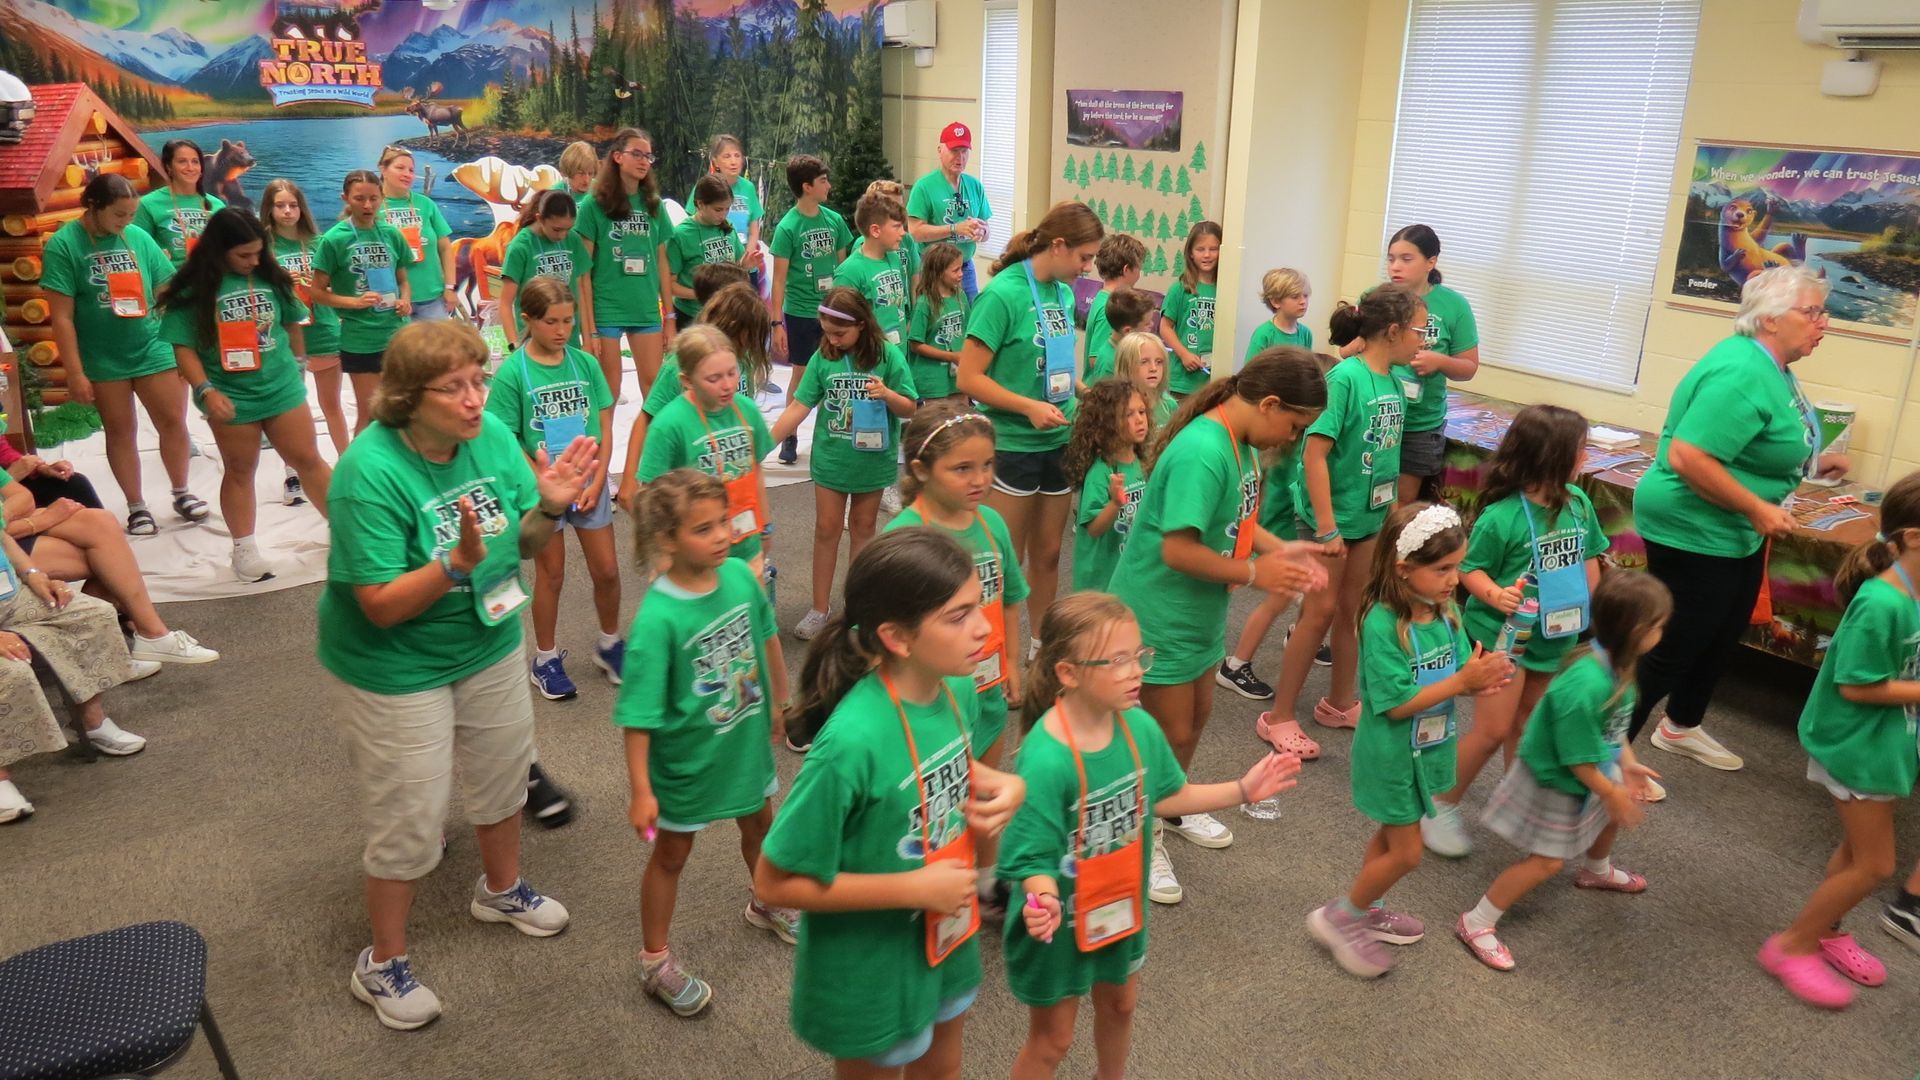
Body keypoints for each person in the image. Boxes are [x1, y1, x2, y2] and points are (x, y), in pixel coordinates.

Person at [321, 320, 593, 1031]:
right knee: (410, 815)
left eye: (479, 380)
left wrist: (549, 506)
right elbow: (379, 606)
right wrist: (453, 565)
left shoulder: (491, 438)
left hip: (487, 637)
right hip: (393, 665)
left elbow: (524, 542)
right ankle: (382, 962)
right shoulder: (367, 473)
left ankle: (500, 889)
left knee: (504, 773)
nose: (475, 399)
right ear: (408, 397)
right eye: (454, 387)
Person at [753, 528, 1026, 1078]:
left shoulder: (956, 687)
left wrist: (1001, 782)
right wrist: (912, 889)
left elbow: (931, 764)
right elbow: (774, 883)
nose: (984, 627)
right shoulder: (849, 745)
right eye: (959, 616)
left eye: (980, 605)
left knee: (943, 1067)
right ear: (897, 638)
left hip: (946, 937)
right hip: (872, 965)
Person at [1005, 592, 1300, 1079]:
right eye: (1117, 661)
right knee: (1053, 1040)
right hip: (1061, 924)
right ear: (1068, 673)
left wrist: (1242, 790)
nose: (1135, 672)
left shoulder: (1138, 726)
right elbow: (1028, 857)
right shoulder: (1046, 759)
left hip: (1119, 905)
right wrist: (1042, 900)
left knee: (1121, 1005)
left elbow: (1166, 795)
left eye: (1138, 655)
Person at [1108, 350, 1329, 903]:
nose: (1293, 438)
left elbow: (1237, 522)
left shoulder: (1241, 443)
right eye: (1294, 426)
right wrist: (1256, 572)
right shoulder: (1204, 451)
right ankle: (1139, 833)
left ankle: (1172, 805)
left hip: (1198, 613)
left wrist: (1281, 549)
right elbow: (1177, 550)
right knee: (1162, 734)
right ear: (1270, 404)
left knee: (1193, 723)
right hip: (1158, 613)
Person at [1630, 264, 1846, 775]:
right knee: (1673, 645)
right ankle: (1603, 753)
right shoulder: (1742, 370)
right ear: (1770, 319)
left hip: (1732, 529)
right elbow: (1688, 456)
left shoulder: (1773, 366)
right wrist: (1756, 507)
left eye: (1823, 312)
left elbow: (1764, 437)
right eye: (1812, 312)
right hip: (1693, 526)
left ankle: (1680, 726)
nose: (1824, 323)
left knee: (1722, 633)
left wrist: (1812, 463)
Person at [618, 469, 796, 1016]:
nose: (723, 536)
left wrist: (781, 699)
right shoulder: (659, 619)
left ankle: (766, 901)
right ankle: (655, 961)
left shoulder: (740, 578)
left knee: (760, 824)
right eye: (704, 529)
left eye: (723, 522)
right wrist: (642, 790)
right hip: (687, 763)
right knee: (672, 854)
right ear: (666, 540)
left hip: (742, 744)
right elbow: (638, 717)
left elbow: (766, 635)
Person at [1307, 502, 1508, 978]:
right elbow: (1396, 704)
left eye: (1457, 567)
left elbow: (1460, 666)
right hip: (1392, 755)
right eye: (1443, 569)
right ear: (1403, 569)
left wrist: (1478, 677)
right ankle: (1341, 918)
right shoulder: (1380, 624)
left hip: (1428, 748)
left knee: (1391, 836)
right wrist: (1461, 683)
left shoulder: (1445, 610)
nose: (1454, 580)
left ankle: (1368, 906)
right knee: (1407, 852)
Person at [1758, 472, 1920, 1009]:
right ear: (1914, 537)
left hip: (1884, 742)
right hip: (1855, 744)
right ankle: (1792, 944)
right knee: (1876, 865)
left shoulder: (1910, 592)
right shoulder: (1882, 603)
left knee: (1855, 853)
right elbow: (1856, 685)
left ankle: (1826, 930)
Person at [1423, 405, 1612, 857]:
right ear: (1553, 456)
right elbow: (1469, 569)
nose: (1586, 456)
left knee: (1526, 724)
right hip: (1502, 639)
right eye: (1580, 449)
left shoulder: (1578, 503)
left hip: (1554, 637)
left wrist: (1595, 616)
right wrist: (1495, 595)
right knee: (1492, 730)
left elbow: (1589, 559)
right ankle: (1438, 805)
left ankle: (1522, 807)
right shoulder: (1502, 516)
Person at [1458, 573, 1671, 972]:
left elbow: (1613, 725)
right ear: (1636, 632)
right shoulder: (1585, 685)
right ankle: (1476, 921)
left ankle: (1596, 869)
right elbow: (1576, 759)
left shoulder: (1618, 665)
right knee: (1547, 862)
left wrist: (1626, 764)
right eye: (1659, 625)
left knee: (1608, 815)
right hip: (1557, 780)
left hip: (1590, 771)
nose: (1663, 633)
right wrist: (1611, 791)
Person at [1266, 286, 1423, 758]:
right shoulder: (1346, 379)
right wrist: (1327, 527)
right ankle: (1279, 717)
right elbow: (1314, 455)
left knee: (1354, 611)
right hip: (1329, 520)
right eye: (1419, 331)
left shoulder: (1394, 383)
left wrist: (1392, 521)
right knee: (1318, 612)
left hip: (1368, 518)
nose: (1423, 340)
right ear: (1392, 331)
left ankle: (1338, 703)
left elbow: (1387, 457)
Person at [886, 404, 1030, 905]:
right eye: (963, 468)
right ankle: (925, 885)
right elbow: (880, 630)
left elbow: (1010, 596)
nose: (981, 479)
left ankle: (986, 880)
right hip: (931, 698)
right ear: (921, 470)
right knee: (935, 799)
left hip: (986, 687)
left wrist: (1012, 663)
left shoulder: (991, 524)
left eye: (988, 465)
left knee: (985, 791)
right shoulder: (905, 537)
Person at [957, 201, 1103, 657]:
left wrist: (1084, 391)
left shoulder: (1062, 293)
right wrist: (1027, 407)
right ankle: (995, 653)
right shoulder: (1002, 295)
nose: (1087, 268)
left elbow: (1053, 364)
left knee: (1048, 554)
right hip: (1013, 444)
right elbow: (969, 378)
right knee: (1005, 560)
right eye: (1084, 257)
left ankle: (1041, 645)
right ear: (1057, 245)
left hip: (1058, 441)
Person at [156, 207, 333, 582]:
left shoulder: (271, 277)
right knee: (239, 469)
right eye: (244, 255)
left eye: (258, 253)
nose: (253, 261)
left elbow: (293, 322)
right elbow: (183, 348)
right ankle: (244, 549)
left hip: (281, 385)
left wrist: (298, 364)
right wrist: (205, 390)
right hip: (230, 394)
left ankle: (347, 529)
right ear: (219, 251)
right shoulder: (193, 290)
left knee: (308, 459)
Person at [41, 173, 207, 535]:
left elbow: (167, 290)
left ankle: (182, 492)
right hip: (103, 357)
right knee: (120, 430)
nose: (125, 222)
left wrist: (185, 344)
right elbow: (62, 317)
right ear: (93, 206)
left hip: (152, 345)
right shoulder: (63, 245)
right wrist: (75, 373)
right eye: (119, 214)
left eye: (131, 215)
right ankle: (137, 506)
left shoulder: (138, 238)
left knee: (173, 421)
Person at [483, 277, 621, 700]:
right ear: (527, 320)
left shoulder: (585, 364)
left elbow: (604, 422)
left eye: (568, 320)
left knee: (607, 570)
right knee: (552, 573)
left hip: (588, 482)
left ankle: (610, 644)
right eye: (551, 322)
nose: (562, 330)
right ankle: (544, 659)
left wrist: (600, 477)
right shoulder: (513, 373)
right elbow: (506, 437)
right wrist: (542, 485)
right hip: (541, 490)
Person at [770, 288, 918, 639]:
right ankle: (819, 608)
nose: (833, 340)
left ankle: (858, 605)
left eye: (840, 333)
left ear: (862, 325)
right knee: (827, 529)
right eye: (827, 332)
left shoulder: (888, 355)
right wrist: (766, 441)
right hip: (832, 459)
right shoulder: (824, 357)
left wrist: (888, 395)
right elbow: (799, 405)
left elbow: (910, 406)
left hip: (872, 461)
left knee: (863, 528)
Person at [0, 525, 147, 824]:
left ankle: (91, 720)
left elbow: (2, 536)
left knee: (93, 614)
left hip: (10, 598)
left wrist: (33, 574)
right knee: (11, 671)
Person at [1218, 351, 1338, 703]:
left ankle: (1298, 632)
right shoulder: (1290, 447)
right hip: (1280, 530)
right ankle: (1236, 664)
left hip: (1283, 532)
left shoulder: (1288, 439)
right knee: (1276, 600)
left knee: (1305, 591)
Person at [1, 476, 219, 667]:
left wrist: (8, 517)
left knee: (100, 522)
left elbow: (22, 495)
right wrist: (39, 521)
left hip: (7, 526)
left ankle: (145, 634)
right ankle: (106, 648)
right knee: (108, 559)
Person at [614, 272, 761, 512]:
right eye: (751, 335)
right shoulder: (681, 363)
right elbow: (647, 417)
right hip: (689, 479)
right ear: (734, 327)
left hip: (729, 476)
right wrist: (630, 478)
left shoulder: (744, 357)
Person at [637, 324, 774, 573]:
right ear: (687, 381)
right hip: (693, 561)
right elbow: (650, 497)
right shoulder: (669, 424)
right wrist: (663, 559)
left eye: (732, 372)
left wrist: (765, 527)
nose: (727, 385)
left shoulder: (747, 410)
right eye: (714, 378)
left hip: (746, 547)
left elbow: (756, 471)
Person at [311, 169, 415, 437]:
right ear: (345, 198)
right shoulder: (334, 239)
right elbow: (317, 292)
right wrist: (354, 302)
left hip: (396, 335)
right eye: (359, 199)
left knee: (402, 410)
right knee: (370, 415)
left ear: (382, 197)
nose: (367, 205)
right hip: (360, 340)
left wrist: (405, 301)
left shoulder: (391, 234)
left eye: (373, 198)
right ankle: (358, 463)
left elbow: (403, 280)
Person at [1379, 224, 1478, 503]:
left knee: (1402, 504)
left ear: (1430, 262)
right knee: (1368, 496)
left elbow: (1469, 367)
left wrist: (1439, 361)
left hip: (1420, 422)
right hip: (1377, 415)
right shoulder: (1378, 299)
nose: (1395, 267)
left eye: (1406, 259)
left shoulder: (1454, 305)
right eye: (1391, 259)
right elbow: (1351, 349)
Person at [575, 128, 674, 399]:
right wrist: (589, 331)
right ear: (618, 157)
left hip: (645, 308)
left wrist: (670, 317)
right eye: (637, 154)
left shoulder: (654, 205)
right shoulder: (593, 204)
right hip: (606, 309)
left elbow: (663, 264)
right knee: (609, 392)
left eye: (648, 156)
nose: (644, 161)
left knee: (655, 389)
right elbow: (582, 272)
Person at [770, 154, 854, 463]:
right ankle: (789, 435)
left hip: (833, 311)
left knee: (836, 372)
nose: (829, 186)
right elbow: (778, 280)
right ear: (807, 187)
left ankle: (832, 432)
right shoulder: (788, 227)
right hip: (801, 313)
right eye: (823, 181)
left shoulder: (834, 221)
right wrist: (776, 324)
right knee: (802, 372)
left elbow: (845, 269)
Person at [262, 178, 350, 460]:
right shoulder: (261, 247)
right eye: (280, 205)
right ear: (268, 209)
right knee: (290, 411)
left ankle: (347, 465)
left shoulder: (319, 243)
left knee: (332, 405)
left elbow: (337, 286)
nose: (288, 211)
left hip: (323, 330)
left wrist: (318, 289)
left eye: (293, 205)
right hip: (284, 336)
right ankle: (295, 471)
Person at [1064, 379, 1148, 593]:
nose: (1140, 419)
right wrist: (1114, 504)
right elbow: (1094, 529)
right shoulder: (1101, 472)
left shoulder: (1143, 463)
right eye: (1128, 415)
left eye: (1142, 412)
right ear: (1108, 423)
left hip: (1130, 573)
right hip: (1100, 582)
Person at [907, 122, 993, 299]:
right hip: (934, 270)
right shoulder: (924, 187)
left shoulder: (975, 186)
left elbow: (986, 230)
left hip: (965, 268)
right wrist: (954, 229)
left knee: (971, 313)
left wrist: (982, 231)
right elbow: (915, 232)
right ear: (940, 150)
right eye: (954, 151)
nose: (960, 157)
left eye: (964, 151)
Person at [499, 190, 595, 349]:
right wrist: (514, 344)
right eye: (556, 229)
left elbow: (580, 292)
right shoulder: (520, 246)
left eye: (568, 229)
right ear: (540, 218)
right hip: (534, 341)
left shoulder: (573, 239)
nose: (562, 235)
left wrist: (588, 338)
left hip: (569, 339)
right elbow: (505, 303)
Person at [376, 147, 457, 322]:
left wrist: (450, 287)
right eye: (400, 168)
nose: (407, 174)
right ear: (383, 169)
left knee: (440, 340)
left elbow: (445, 249)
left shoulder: (426, 204)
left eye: (411, 170)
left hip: (431, 299)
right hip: (392, 302)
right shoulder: (372, 206)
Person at [834, 192, 913, 348]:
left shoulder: (894, 258)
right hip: (869, 356)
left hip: (898, 352)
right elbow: (839, 325)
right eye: (896, 226)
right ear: (875, 230)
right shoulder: (849, 272)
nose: (903, 232)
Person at [132, 138, 224, 267]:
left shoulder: (218, 205)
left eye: (195, 162)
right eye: (182, 161)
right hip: (171, 278)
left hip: (212, 277)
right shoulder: (148, 204)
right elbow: (136, 250)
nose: (190, 168)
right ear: (168, 167)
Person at [667, 176, 747, 327]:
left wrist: (745, 265)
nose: (723, 215)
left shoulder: (728, 227)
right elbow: (668, 285)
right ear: (700, 204)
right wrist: (700, 294)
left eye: (727, 209)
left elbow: (735, 269)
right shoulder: (680, 235)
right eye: (718, 209)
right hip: (691, 317)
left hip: (724, 314)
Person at [1159, 221, 1221, 396]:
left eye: (1213, 249)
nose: (1207, 255)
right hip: (1182, 382)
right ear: (1191, 253)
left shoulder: (1225, 290)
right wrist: (1184, 354)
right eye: (1200, 249)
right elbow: (1165, 327)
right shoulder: (1180, 288)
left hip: (1212, 383)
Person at [907, 242, 970, 407]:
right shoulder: (924, 303)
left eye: (962, 268)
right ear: (939, 272)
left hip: (958, 377)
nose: (961, 274)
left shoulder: (960, 296)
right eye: (955, 270)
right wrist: (951, 356)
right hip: (934, 380)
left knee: (963, 417)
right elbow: (915, 344)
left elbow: (968, 331)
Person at [690, 134, 765, 273]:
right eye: (727, 156)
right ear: (715, 161)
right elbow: (693, 223)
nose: (733, 161)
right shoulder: (704, 186)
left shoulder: (748, 187)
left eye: (737, 156)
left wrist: (746, 258)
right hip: (713, 263)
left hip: (745, 263)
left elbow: (754, 229)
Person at [1082, 234, 1146, 374]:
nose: (1139, 275)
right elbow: (1096, 359)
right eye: (1139, 269)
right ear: (1126, 269)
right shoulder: (1111, 308)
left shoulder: (1102, 297)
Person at [1082, 289, 1155, 388]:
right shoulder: (1108, 363)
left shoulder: (1128, 350)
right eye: (1147, 323)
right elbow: (1107, 397)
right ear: (1128, 331)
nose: (1152, 324)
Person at [1112, 331, 1174, 429]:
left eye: (1159, 362)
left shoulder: (1169, 404)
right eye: (1144, 362)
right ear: (1126, 365)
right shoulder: (1114, 407)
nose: (1153, 368)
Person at [1247, 268, 1313, 355]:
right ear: (1275, 301)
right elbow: (1252, 364)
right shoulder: (1263, 334)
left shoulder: (1306, 334)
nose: (1303, 301)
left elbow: (1307, 363)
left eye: (1305, 296)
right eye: (1295, 297)